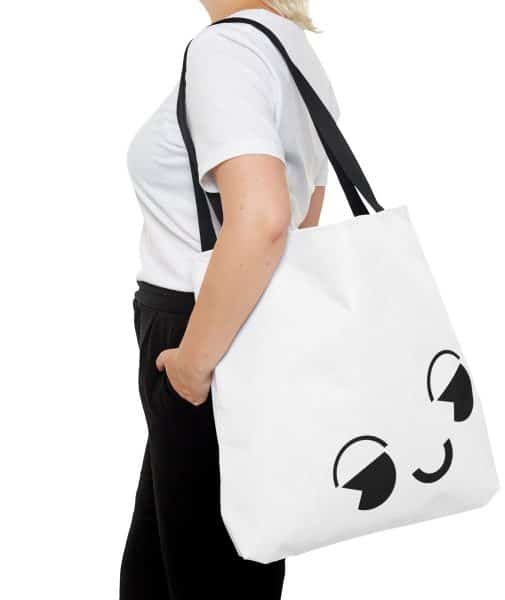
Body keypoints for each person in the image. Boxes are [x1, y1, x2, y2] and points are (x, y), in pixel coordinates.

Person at [120, 1, 339, 598]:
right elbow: (304, 217)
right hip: (244, 322)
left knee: (205, 574)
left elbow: (265, 219)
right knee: (173, 568)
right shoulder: (291, 47)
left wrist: (194, 363)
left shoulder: (227, 50)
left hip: (201, 333)